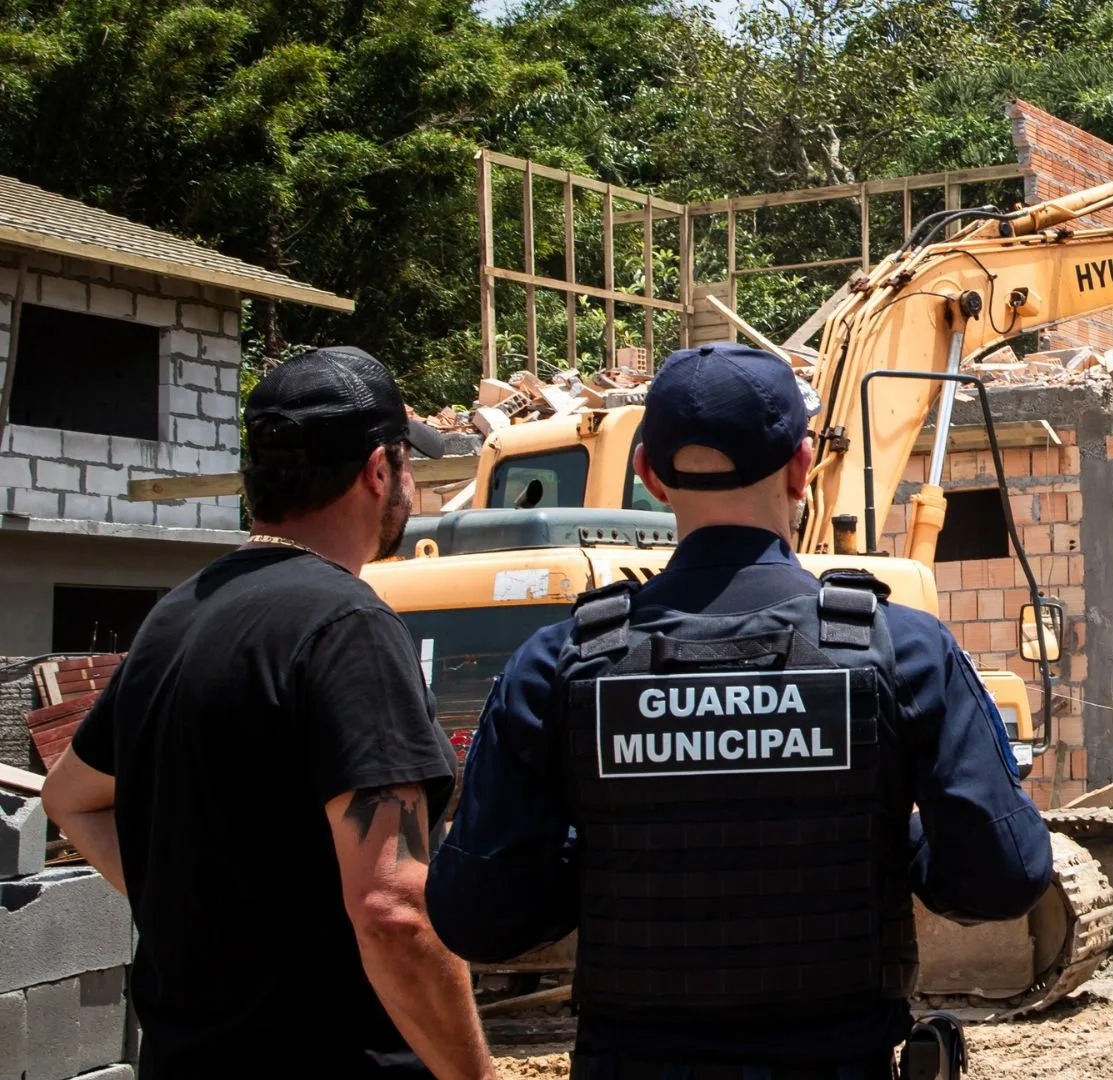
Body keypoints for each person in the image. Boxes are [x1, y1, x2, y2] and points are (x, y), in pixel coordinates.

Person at [426, 343, 1054, 1079]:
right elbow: (1004, 877)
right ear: (802, 465)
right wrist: (893, 842)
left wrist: (611, 858)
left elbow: (479, 917)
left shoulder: (559, 663)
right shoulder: (900, 648)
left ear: (649, 476)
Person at [41, 346, 495, 1080]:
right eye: (409, 466)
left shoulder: (177, 616)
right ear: (380, 471)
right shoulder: (349, 627)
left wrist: (199, 917)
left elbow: (71, 799)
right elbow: (393, 911)